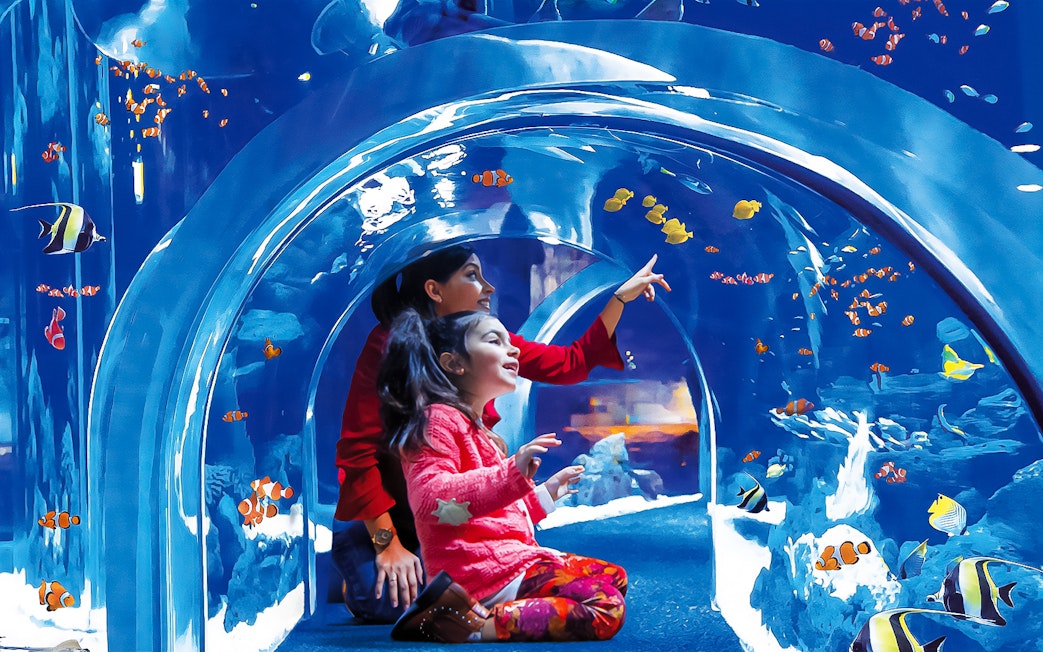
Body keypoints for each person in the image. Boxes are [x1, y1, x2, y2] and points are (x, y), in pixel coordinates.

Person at [332, 243, 669, 622]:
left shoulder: (484, 341)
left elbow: (569, 363)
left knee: (457, 592)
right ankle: (350, 571)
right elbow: (357, 455)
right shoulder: (391, 346)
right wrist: (387, 544)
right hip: (393, 518)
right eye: (473, 276)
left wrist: (619, 300)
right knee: (389, 605)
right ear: (434, 289)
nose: (489, 288)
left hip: (457, 518)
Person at [379, 309, 628, 643]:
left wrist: (546, 493)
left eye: (511, 343)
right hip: (481, 575)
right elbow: (433, 504)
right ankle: (468, 623)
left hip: (510, 561)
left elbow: (495, 514)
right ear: (454, 363)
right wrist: (511, 473)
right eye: (495, 341)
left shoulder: (480, 430)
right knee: (606, 604)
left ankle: (498, 611)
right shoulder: (437, 421)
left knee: (615, 578)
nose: (513, 350)